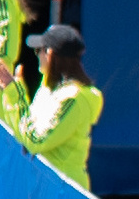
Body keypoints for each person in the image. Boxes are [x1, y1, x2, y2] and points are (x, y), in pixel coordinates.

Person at [17, 27, 102, 181]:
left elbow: (35, 141)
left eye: (39, 50)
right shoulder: (48, 86)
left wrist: (16, 98)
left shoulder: (73, 99)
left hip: (62, 193)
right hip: (42, 186)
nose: (37, 55)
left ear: (50, 54)